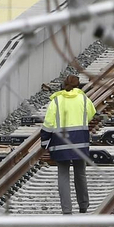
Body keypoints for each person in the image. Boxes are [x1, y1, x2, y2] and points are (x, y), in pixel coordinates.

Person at [42, 73, 97, 214]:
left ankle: (67, 210)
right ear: (78, 85)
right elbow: (91, 113)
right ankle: (83, 205)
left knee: (63, 175)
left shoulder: (56, 101)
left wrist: (44, 142)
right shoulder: (83, 99)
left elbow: (48, 124)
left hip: (61, 143)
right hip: (80, 142)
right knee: (80, 173)